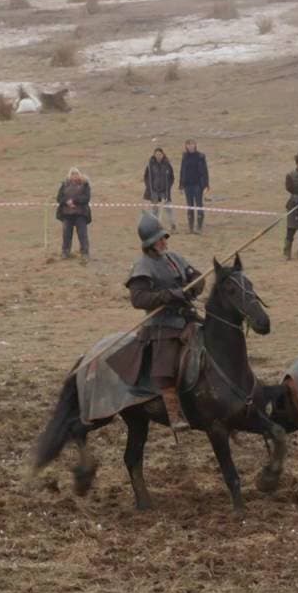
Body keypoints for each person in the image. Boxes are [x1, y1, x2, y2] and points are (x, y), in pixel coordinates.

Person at [127, 213, 205, 433]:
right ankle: (175, 414)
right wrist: (168, 295)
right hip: (162, 325)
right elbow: (138, 299)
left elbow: (196, 275)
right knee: (165, 367)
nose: (164, 241)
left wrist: (195, 286)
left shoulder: (174, 258)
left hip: (187, 317)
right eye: (160, 239)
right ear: (150, 244)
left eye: (164, 238)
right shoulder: (143, 267)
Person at [56, 167, 92, 262]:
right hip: (67, 214)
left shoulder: (85, 185)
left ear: (79, 175)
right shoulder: (64, 185)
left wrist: (74, 201)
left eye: (76, 174)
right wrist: (67, 202)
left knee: (82, 234)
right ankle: (65, 252)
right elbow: (59, 198)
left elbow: (86, 198)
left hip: (81, 213)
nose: (74, 176)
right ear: (69, 176)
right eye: (72, 174)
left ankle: (85, 253)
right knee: (66, 234)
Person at [179, 139, 210, 234]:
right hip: (187, 185)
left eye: (192, 144)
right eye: (188, 145)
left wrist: (206, 185)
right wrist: (181, 185)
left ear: (195, 145)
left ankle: (199, 227)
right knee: (190, 206)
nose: (190, 146)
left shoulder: (200, 156)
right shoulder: (184, 157)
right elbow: (182, 171)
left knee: (199, 205)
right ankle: (191, 228)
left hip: (198, 185)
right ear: (186, 146)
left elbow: (205, 171)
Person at [142, 148, 176, 232]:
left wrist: (168, 187)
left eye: (160, 154)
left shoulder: (167, 165)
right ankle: (155, 226)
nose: (158, 156)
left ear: (163, 154)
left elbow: (172, 177)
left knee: (168, 209)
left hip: (165, 191)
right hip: (154, 191)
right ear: (154, 155)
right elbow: (146, 177)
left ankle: (172, 225)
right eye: (156, 154)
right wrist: (149, 187)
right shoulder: (150, 165)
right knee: (155, 210)